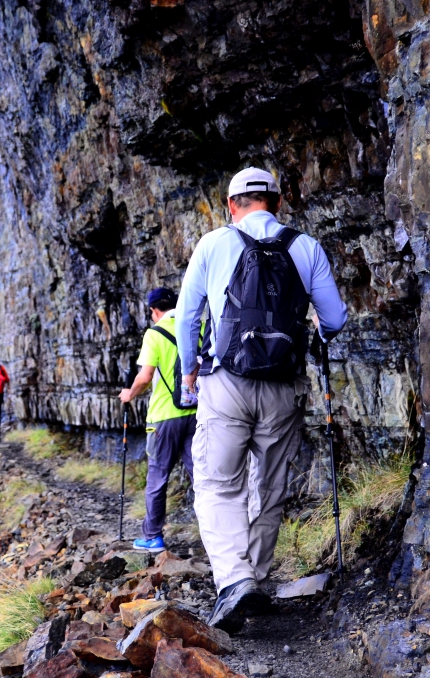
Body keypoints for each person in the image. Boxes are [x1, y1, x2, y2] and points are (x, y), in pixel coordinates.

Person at [175, 167, 347, 632]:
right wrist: (312, 329)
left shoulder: (213, 245)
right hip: (283, 387)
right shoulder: (305, 246)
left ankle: (235, 581)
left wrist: (189, 371)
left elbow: (188, 316)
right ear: (277, 201)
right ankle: (254, 579)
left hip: (225, 383)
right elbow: (334, 318)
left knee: (217, 483)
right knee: (267, 488)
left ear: (232, 205)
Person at [120, 287, 197, 553]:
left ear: (154, 311)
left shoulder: (154, 334)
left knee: (158, 478)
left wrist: (128, 395)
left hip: (164, 417)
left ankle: (153, 536)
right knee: (202, 477)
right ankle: (218, 533)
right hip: (196, 413)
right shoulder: (194, 327)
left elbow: (144, 377)